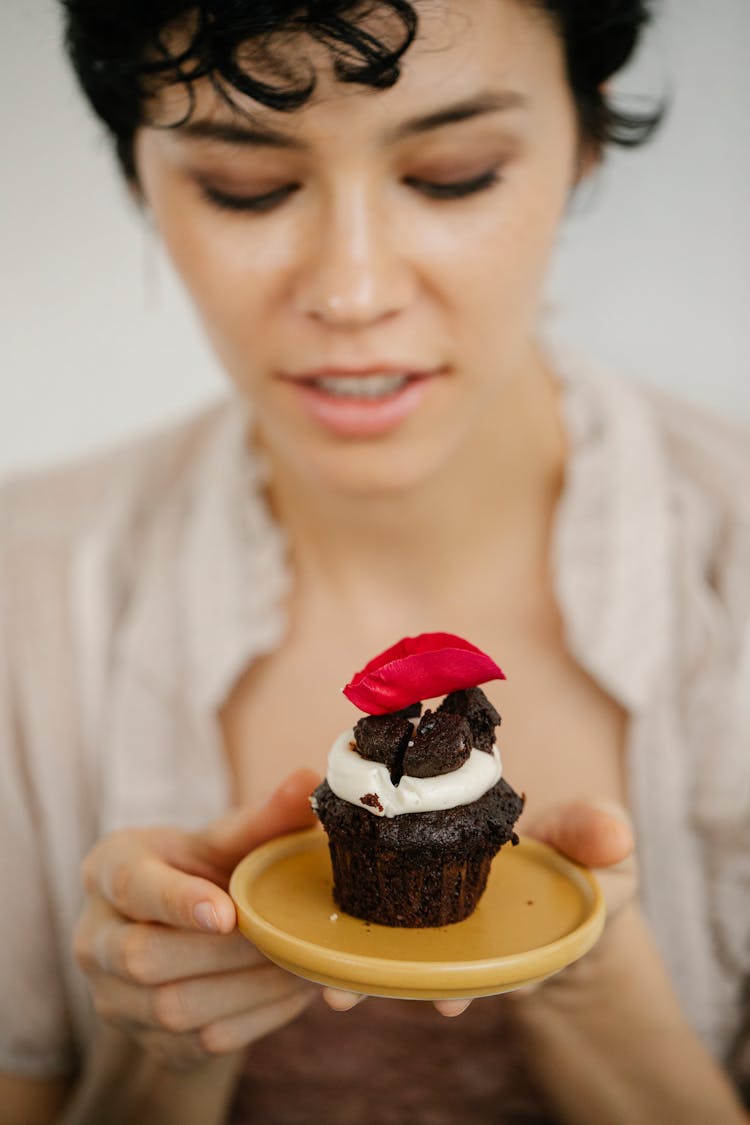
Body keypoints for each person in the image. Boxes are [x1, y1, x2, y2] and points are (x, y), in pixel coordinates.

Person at [1, 1, 748, 1122]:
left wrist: (593, 988)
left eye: (454, 173)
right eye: (245, 186)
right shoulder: (26, 595)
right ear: (136, 178)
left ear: (585, 145)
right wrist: (163, 1049)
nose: (351, 292)